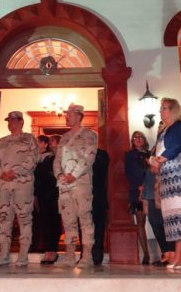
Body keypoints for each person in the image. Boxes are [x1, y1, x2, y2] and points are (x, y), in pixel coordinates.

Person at [149, 98, 181, 270]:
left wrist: (158, 160)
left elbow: (175, 147)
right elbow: (158, 151)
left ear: (173, 110)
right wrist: (154, 161)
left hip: (178, 176)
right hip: (167, 178)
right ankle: (179, 254)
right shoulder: (164, 130)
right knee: (173, 216)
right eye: (161, 108)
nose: (160, 111)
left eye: (164, 108)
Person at [0, 111, 39, 267]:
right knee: (4, 219)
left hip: (22, 185)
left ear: (21, 121)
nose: (10, 123)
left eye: (13, 120)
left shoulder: (29, 139)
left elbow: (33, 159)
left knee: (24, 219)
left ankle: (23, 255)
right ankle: (3, 254)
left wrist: (15, 172)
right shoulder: (3, 141)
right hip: (5, 185)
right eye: (8, 120)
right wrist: (1, 174)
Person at [53, 103, 98, 268]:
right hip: (64, 185)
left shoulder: (89, 135)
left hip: (81, 183)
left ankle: (87, 256)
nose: (66, 116)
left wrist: (74, 175)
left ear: (79, 116)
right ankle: (70, 256)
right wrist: (60, 175)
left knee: (84, 218)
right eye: (66, 114)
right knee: (68, 220)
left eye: (70, 114)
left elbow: (89, 157)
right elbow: (57, 160)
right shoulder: (64, 138)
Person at [33, 135, 61, 264]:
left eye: (53, 141)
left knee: (54, 222)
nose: (51, 143)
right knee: (45, 222)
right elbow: (38, 175)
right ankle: (48, 250)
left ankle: (53, 250)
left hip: (56, 194)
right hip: (43, 194)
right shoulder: (46, 158)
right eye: (50, 142)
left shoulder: (60, 157)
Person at [124, 131, 151, 265]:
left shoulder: (151, 154)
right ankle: (146, 254)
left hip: (152, 191)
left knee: (157, 221)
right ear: (132, 141)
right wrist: (140, 186)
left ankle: (166, 252)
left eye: (140, 137)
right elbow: (129, 173)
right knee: (141, 223)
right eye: (135, 137)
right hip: (138, 192)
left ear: (144, 140)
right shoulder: (130, 155)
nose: (138, 139)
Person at [91, 146, 109, 265]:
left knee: (99, 226)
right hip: (83, 196)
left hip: (98, 196)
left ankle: (97, 256)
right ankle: (85, 254)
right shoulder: (79, 152)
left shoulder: (102, 154)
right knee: (84, 227)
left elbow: (101, 174)